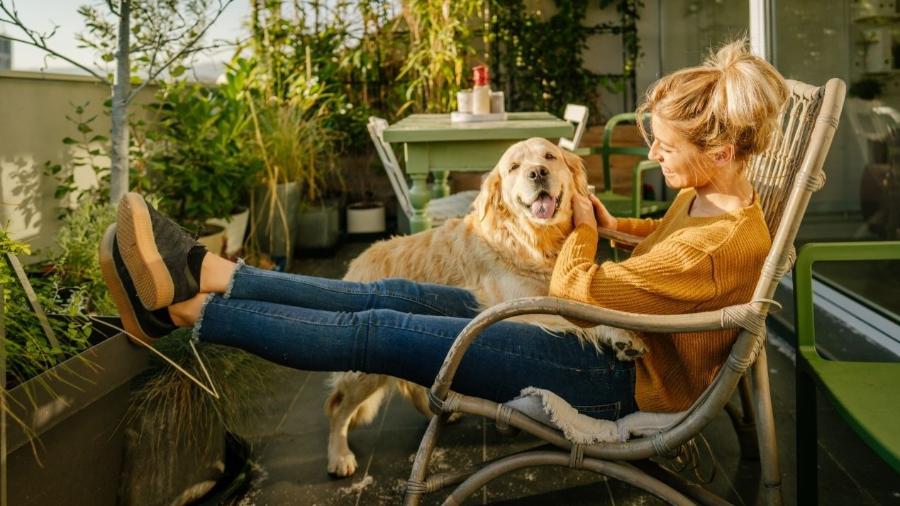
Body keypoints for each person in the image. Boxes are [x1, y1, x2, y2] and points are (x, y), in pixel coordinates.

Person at [99, 40, 784, 420]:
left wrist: (579, 226)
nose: (653, 154)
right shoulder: (716, 200)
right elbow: (662, 244)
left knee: (381, 335)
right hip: (574, 332)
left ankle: (188, 309)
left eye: (664, 145)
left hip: (606, 372)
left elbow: (585, 290)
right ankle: (210, 269)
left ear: (721, 150)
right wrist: (615, 224)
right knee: (383, 296)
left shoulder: (720, 240)